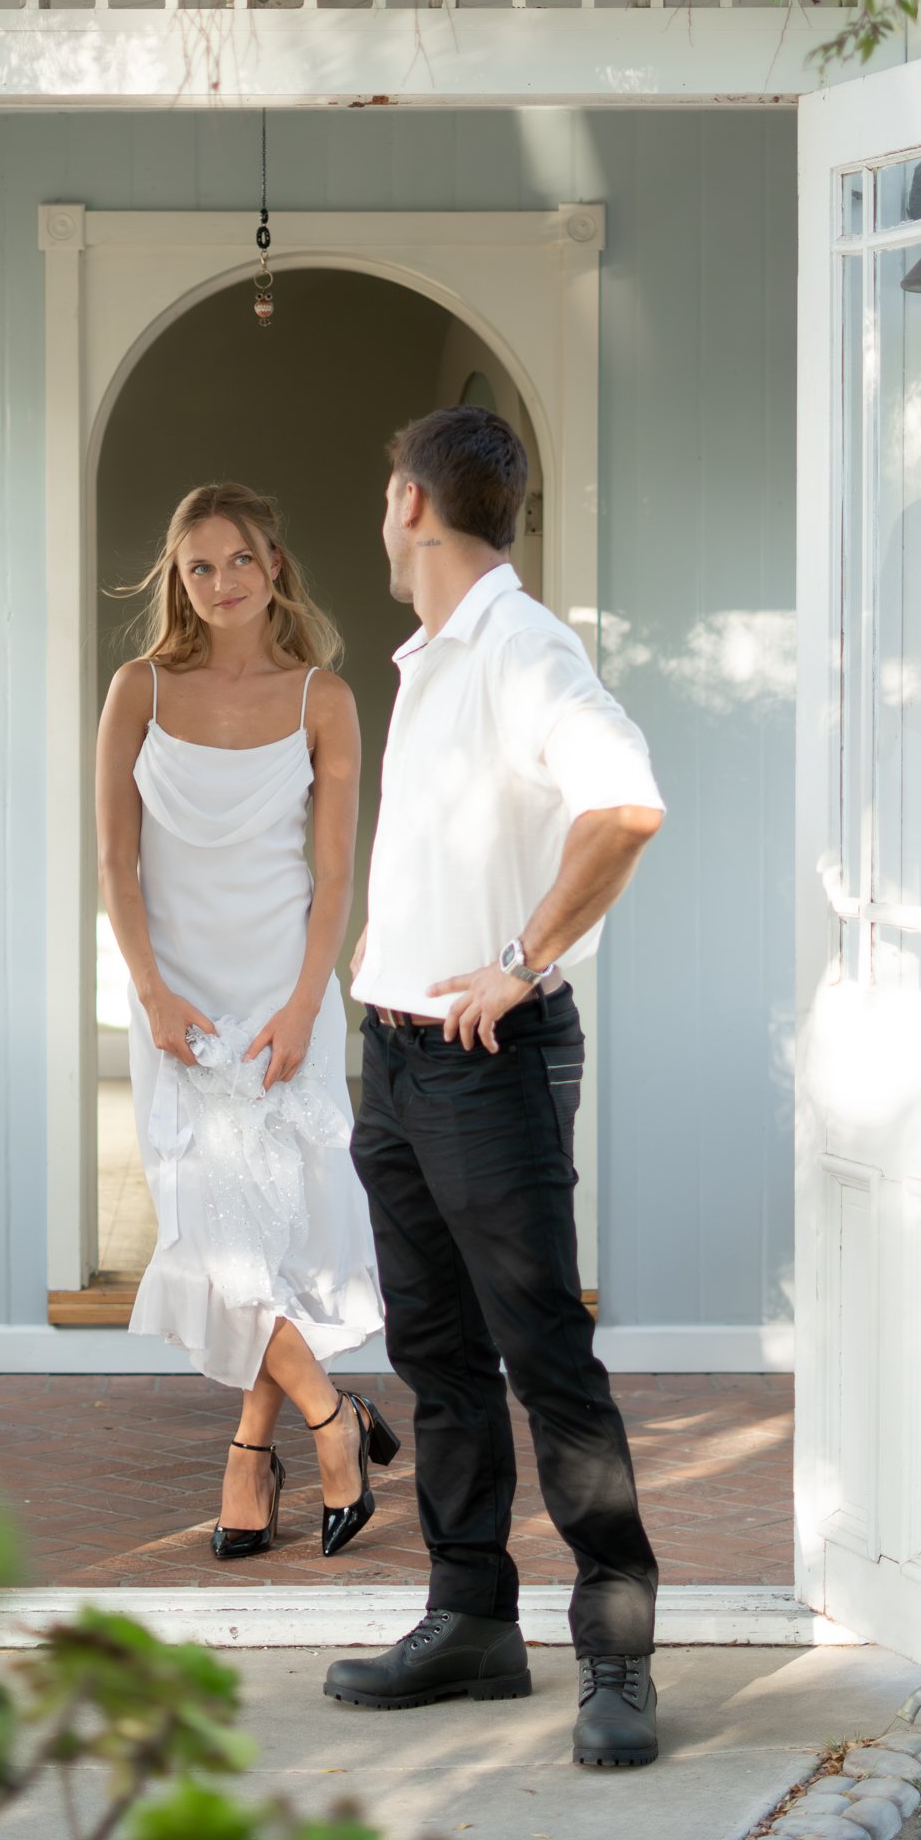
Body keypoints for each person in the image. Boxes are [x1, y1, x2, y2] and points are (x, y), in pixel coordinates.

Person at [324, 409, 666, 1768]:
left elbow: (624, 805)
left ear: (410, 499)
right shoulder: (437, 655)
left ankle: (619, 1660)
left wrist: (518, 963)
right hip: (400, 1056)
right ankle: (470, 1617)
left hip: (484, 1066)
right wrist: (394, 948)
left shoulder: (523, 647)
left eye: (385, 488)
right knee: (438, 1358)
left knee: (545, 1362)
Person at [96, 482, 398, 1563]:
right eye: (196, 566)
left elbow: (332, 877)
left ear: (276, 565)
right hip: (177, 999)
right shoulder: (138, 689)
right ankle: (335, 1421)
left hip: (286, 997)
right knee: (209, 1231)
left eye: (237, 560)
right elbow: (115, 864)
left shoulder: (325, 698)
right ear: (176, 580)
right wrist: (150, 990)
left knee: (271, 1233)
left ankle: (246, 1459)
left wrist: (308, 1003)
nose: (218, 582)